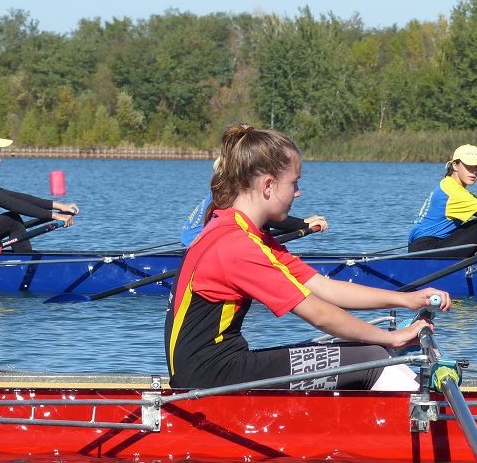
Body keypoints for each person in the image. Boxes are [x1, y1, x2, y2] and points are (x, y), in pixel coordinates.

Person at [164, 123, 451, 392]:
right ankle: (426, 420)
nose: (298, 193)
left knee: (372, 351)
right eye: (294, 183)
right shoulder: (237, 245)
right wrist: (392, 337)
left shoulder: (242, 232)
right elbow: (319, 314)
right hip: (208, 377)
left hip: (216, 367)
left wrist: (408, 299)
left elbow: (325, 288)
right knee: (373, 358)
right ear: (268, 185)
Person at [180, 160, 329, 246]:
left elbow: (265, 217)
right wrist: (303, 224)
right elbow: (266, 217)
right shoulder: (228, 197)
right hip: (194, 247)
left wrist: (302, 223)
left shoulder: (231, 192)